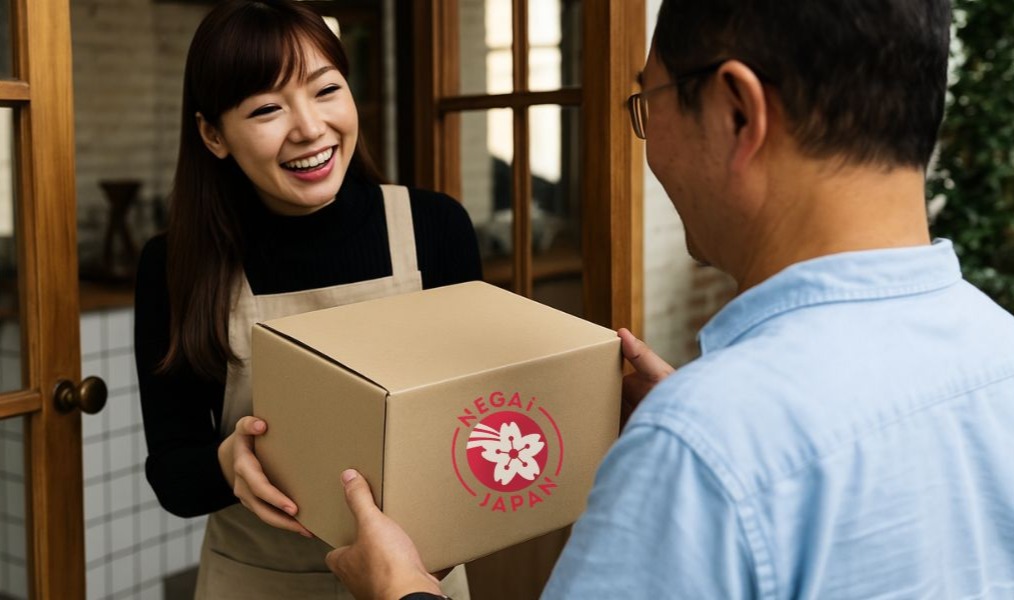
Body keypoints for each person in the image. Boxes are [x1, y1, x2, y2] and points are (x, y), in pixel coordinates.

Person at [326, 0, 1014, 597]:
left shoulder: (702, 445)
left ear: (736, 111)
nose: (649, 145)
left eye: (646, 103)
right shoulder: (998, 348)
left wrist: (404, 593)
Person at [133, 1, 479, 598]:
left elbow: (476, 415)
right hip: (257, 582)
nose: (310, 127)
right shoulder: (175, 267)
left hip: (421, 580)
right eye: (267, 108)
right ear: (213, 135)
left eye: (326, 90)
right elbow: (172, 473)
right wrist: (226, 463)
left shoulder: (435, 227)